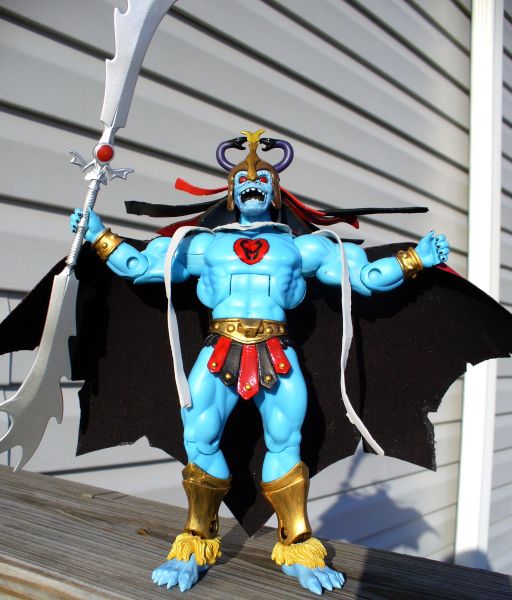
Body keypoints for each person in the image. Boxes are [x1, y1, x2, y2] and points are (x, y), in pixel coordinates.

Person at [70, 129, 449, 594]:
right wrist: (98, 235)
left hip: (277, 352)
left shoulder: (305, 247)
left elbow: (365, 277)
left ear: (275, 192)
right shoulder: (202, 245)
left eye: (263, 178)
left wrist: (415, 259)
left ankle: (298, 547)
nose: (253, 180)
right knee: (200, 438)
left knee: (286, 442)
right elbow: (142, 268)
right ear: (232, 193)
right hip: (219, 349)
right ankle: (195, 542)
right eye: (244, 179)